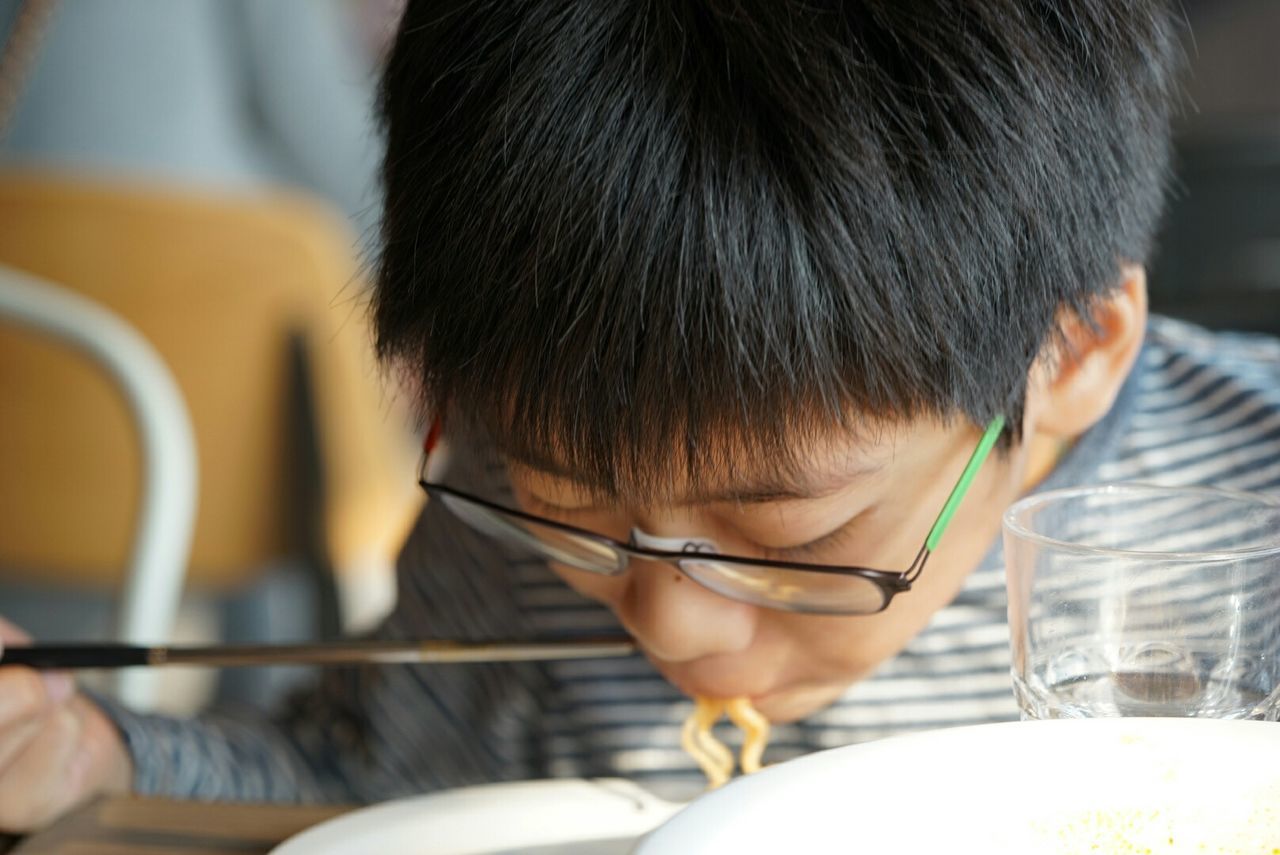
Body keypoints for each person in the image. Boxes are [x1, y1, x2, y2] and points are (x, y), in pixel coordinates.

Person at [5, 0, 1278, 833]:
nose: (672, 621)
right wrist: (88, 750)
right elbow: (364, 779)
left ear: (1074, 347)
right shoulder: (511, 512)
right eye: (580, 513)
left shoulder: (1252, 484)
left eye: (787, 528)